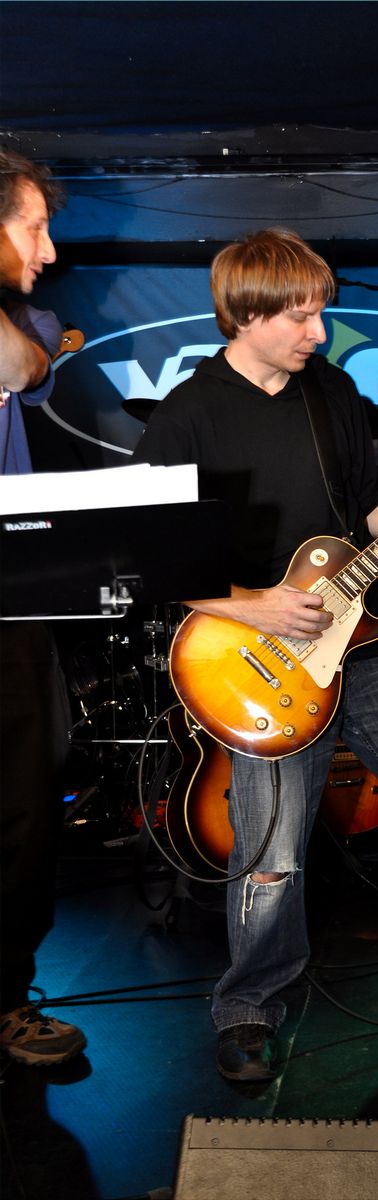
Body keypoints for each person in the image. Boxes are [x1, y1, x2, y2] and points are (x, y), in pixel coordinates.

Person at [131, 228, 378, 1081]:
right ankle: (246, 1008)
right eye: (300, 317)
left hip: (368, 644)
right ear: (246, 313)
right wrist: (256, 604)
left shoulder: (333, 391)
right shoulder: (187, 415)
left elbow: (369, 505)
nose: (319, 331)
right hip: (261, 653)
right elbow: (153, 564)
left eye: (320, 312)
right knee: (271, 856)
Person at [0, 149, 87, 1063]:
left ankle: (4, 998)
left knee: (24, 799)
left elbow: (22, 367)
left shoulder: (29, 321)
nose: (49, 251)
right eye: (34, 227)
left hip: (11, 595)